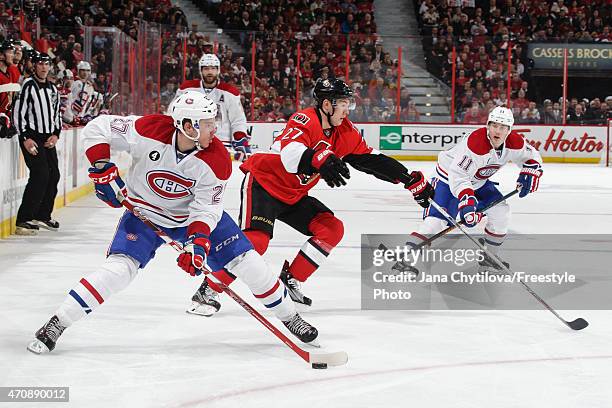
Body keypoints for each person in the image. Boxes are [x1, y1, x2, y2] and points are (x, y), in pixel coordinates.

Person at [27, 91, 318, 354]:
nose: (214, 129)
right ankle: (58, 322)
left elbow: (206, 210)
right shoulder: (150, 129)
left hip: (188, 218)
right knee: (118, 270)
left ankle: (290, 316)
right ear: (187, 126)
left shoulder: (217, 158)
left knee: (248, 262)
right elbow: (98, 127)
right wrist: (101, 166)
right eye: (207, 123)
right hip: (144, 213)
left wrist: (198, 244)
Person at [187, 78, 434, 316]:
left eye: (349, 104)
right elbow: (290, 154)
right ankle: (209, 289)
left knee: (331, 228)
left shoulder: (344, 132)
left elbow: (371, 160)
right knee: (256, 242)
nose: (348, 110)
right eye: (343, 103)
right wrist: (317, 158)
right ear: (327, 105)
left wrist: (408, 179)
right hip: (264, 184)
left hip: (294, 195)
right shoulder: (305, 119)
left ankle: (291, 279)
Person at [404, 106, 543, 274]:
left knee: (501, 212)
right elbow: (459, 176)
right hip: (448, 180)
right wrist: (467, 203)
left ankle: (489, 257)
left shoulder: (515, 142)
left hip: (478, 182)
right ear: (488, 125)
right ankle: (406, 257)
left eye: (503, 127)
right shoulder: (476, 144)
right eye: (494, 125)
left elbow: (532, 156)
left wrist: (531, 170)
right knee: (436, 221)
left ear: (509, 130)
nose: (497, 131)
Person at [13, 53, 62, 235]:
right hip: (32, 137)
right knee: (40, 174)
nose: (43, 67)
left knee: (54, 175)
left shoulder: (52, 89)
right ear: (34, 66)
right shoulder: (27, 85)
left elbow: (57, 114)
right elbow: (18, 113)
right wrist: (25, 137)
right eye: (40, 64)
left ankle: (43, 214)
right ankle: (23, 219)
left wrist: (56, 135)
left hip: (48, 139)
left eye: (46, 64)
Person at [175, 54, 251, 162]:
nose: (210, 72)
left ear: (218, 70)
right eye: (206, 68)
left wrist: (240, 141)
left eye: (213, 68)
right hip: (192, 142)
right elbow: (173, 114)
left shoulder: (229, 92)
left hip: (221, 143)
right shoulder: (187, 89)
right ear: (201, 71)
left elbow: (238, 120)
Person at [65, 60, 96, 125]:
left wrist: (87, 116)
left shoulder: (90, 87)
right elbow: (67, 100)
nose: (85, 72)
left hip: (81, 119)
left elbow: (89, 104)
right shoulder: (73, 83)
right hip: (69, 118)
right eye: (83, 70)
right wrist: (70, 117)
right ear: (78, 70)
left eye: (87, 70)